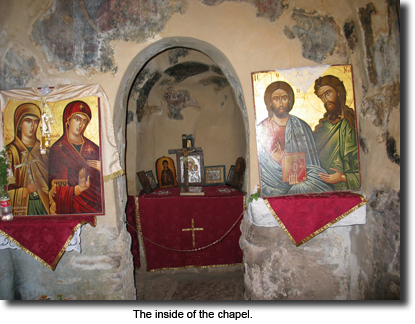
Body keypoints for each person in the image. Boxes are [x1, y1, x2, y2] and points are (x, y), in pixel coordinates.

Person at [257, 81, 333, 196]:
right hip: (273, 184)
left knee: (308, 185)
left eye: (284, 98)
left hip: (303, 180)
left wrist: (300, 175)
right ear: (270, 103)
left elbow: (312, 164)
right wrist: (276, 160)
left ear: (290, 101)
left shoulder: (302, 126)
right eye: (276, 99)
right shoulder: (262, 129)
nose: (281, 103)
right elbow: (263, 170)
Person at [48, 100, 102, 214]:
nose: (80, 124)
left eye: (84, 121)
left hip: (94, 205)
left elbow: (103, 185)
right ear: (68, 120)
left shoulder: (94, 149)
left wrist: (103, 170)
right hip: (71, 206)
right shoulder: (58, 150)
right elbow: (56, 188)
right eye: (77, 119)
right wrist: (79, 189)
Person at [313, 75, 360, 190]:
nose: (326, 100)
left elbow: (364, 168)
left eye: (328, 93)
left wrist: (343, 177)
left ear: (338, 92)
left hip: (344, 188)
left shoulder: (352, 124)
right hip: (321, 186)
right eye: (321, 97)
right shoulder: (322, 127)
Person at [7, 103, 49, 215]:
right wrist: (25, 191)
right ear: (19, 123)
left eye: (36, 122)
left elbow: (53, 179)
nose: (32, 126)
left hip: (44, 206)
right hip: (22, 208)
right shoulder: (11, 153)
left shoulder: (44, 151)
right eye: (28, 121)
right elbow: (4, 190)